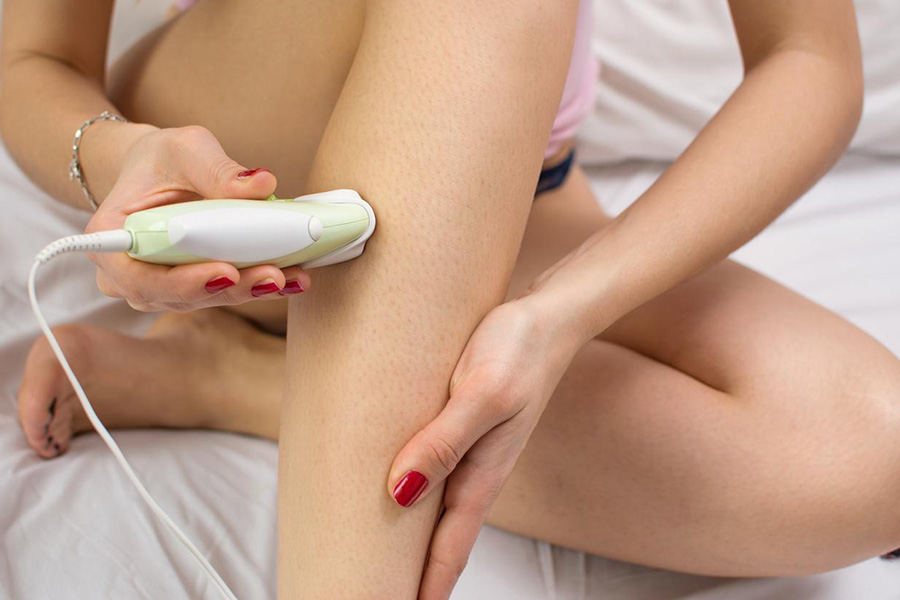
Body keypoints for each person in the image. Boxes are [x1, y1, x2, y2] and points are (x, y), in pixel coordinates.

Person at [3, 0, 899, 598]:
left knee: (870, 449)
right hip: (247, 166)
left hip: (515, 193)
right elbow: (29, 57)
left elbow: (810, 61)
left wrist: (565, 311)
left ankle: (234, 378)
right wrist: (123, 164)